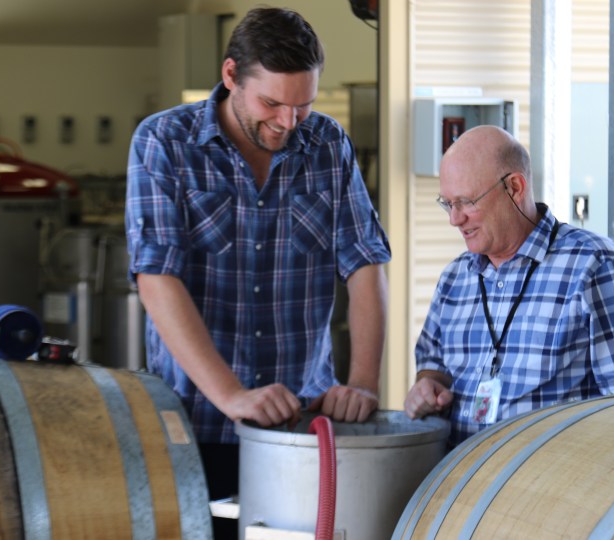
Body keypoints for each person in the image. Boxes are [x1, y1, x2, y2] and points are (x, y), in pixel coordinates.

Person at [125, 6, 390, 537]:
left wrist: (361, 383)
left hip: (305, 429)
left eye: (303, 105)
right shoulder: (164, 142)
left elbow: (365, 262)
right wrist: (232, 395)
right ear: (230, 77)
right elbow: (157, 277)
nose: (289, 123)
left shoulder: (328, 144)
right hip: (193, 425)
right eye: (272, 103)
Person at [404, 125, 614, 448]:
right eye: (448, 204)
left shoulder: (597, 267)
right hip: (465, 492)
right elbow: (432, 369)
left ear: (514, 187)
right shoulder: (455, 278)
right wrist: (427, 388)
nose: (455, 219)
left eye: (466, 202)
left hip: (555, 492)